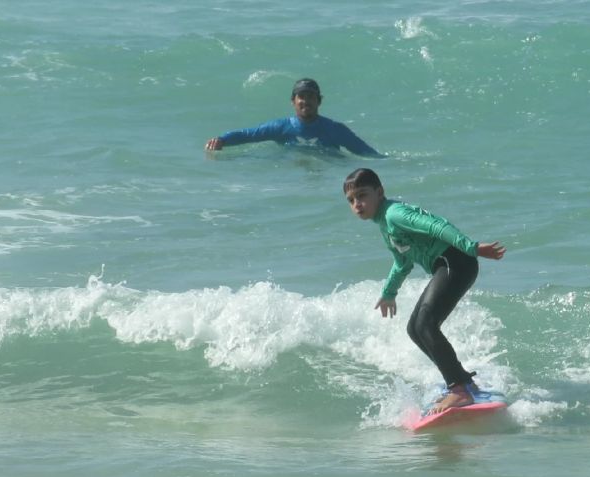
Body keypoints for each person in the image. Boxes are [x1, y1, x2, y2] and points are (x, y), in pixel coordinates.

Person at [343, 168, 506, 414]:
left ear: (379, 192)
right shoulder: (385, 225)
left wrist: (471, 247)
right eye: (351, 200)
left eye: (362, 195)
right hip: (448, 264)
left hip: (456, 261)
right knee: (415, 329)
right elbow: (402, 262)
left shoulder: (395, 214)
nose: (357, 204)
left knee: (426, 324)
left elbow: (437, 226)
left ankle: (459, 390)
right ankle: (463, 381)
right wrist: (389, 292)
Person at [204, 78, 382, 157]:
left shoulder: (335, 129)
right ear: (293, 101)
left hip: (327, 174)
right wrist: (222, 140)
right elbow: (249, 135)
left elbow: (366, 152)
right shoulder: (281, 127)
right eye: (301, 97)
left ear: (319, 101)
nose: (306, 101)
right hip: (292, 177)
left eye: (311, 97)